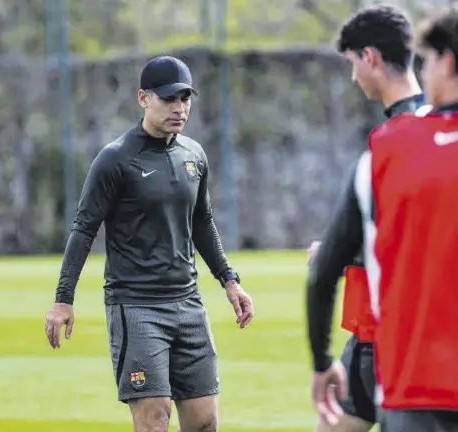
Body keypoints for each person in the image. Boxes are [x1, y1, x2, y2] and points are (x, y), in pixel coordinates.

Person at [44, 55, 254, 432]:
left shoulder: (194, 155)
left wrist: (230, 280)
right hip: (137, 307)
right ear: (144, 98)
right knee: (155, 419)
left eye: (185, 98)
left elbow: (202, 222)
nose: (179, 108)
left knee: (205, 421)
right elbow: (83, 229)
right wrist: (63, 299)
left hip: (188, 305)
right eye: (169, 99)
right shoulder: (115, 160)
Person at [305, 5, 425, 431]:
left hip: (398, 341)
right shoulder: (416, 130)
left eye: (353, 62)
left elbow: (419, 247)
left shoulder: (400, 141)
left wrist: (339, 257)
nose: (354, 76)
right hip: (370, 336)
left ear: (370, 57)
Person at [364, 6, 458, 431]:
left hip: (418, 380)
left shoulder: (393, 148)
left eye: (430, 60)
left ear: (448, 62)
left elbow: (327, 270)